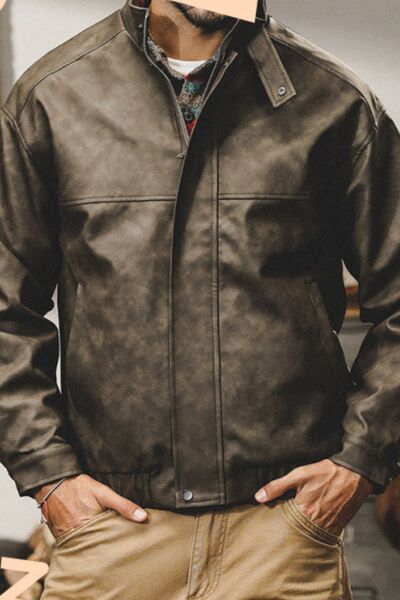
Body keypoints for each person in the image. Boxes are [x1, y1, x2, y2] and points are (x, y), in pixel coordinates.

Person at [0, 0, 399, 598]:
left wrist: (359, 462)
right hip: (112, 538)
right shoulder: (52, 97)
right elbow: (6, 309)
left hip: (283, 538)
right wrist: (49, 477)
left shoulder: (337, 103)